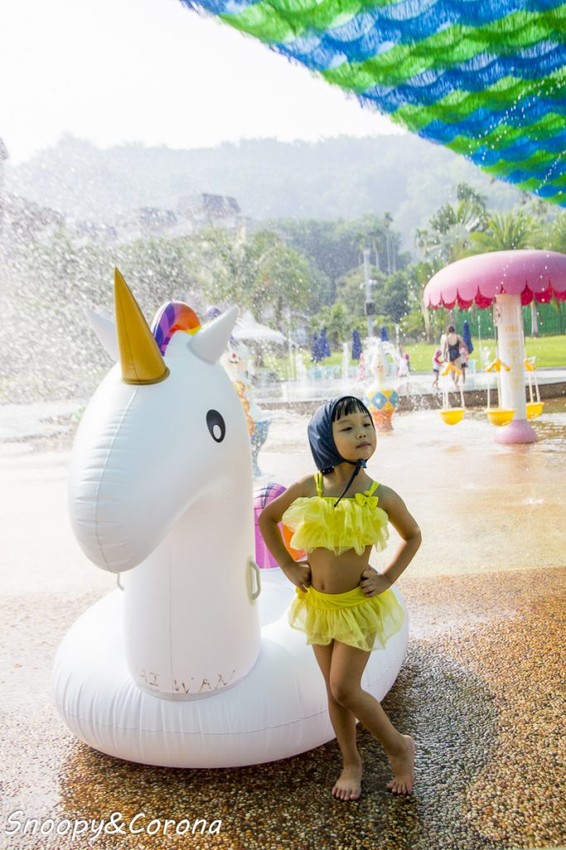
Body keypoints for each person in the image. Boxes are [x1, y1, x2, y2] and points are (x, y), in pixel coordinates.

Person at [259, 396, 421, 801]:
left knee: (345, 688)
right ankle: (351, 763)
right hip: (318, 607)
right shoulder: (308, 488)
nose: (362, 432)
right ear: (325, 439)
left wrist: (386, 577)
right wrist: (289, 566)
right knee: (334, 691)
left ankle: (399, 746)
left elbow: (413, 535)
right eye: (347, 428)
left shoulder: (379, 495)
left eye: (365, 424)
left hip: (359, 606)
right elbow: (267, 518)